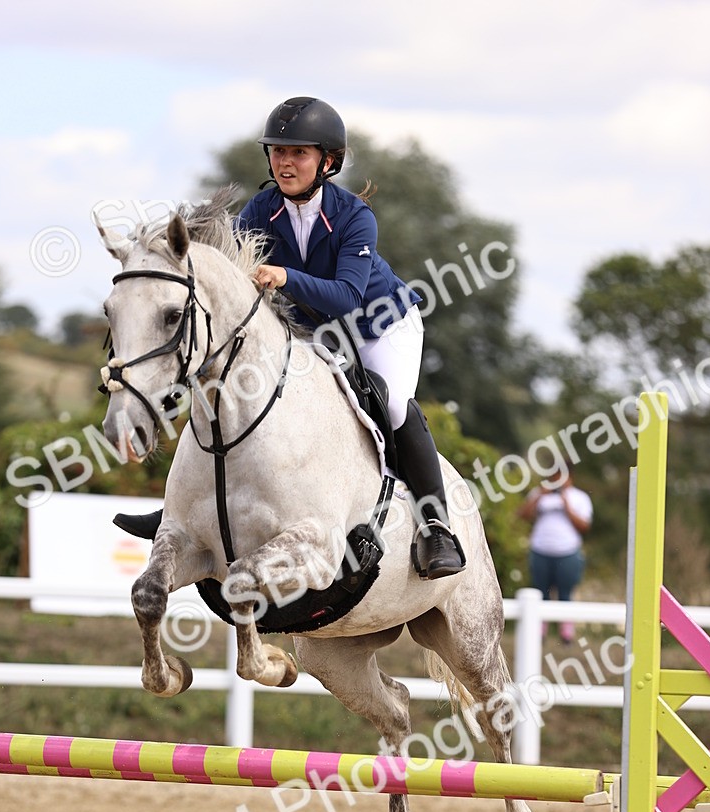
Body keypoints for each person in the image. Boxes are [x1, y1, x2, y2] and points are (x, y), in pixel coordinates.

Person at [115, 96, 465, 579]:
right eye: (278, 151)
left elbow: (346, 297)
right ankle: (182, 510)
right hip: (311, 329)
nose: (285, 162)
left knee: (393, 404)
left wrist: (285, 276)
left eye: (299, 153)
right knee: (229, 387)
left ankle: (435, 526)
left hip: (379, 325)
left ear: (328, 161)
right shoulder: (261, 209)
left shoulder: (354, 216)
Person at [517, 462, 593, 643]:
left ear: (570, 477)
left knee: (565, 593)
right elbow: (522, 515)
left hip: (567, 552)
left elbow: (584, 526)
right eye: (554, 477)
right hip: (540, 550)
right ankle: (539, 632)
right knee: (540, 592)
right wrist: (539, 496)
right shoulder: (539, 494)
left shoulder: (579, 497)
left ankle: (566, 633)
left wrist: (566, 505)